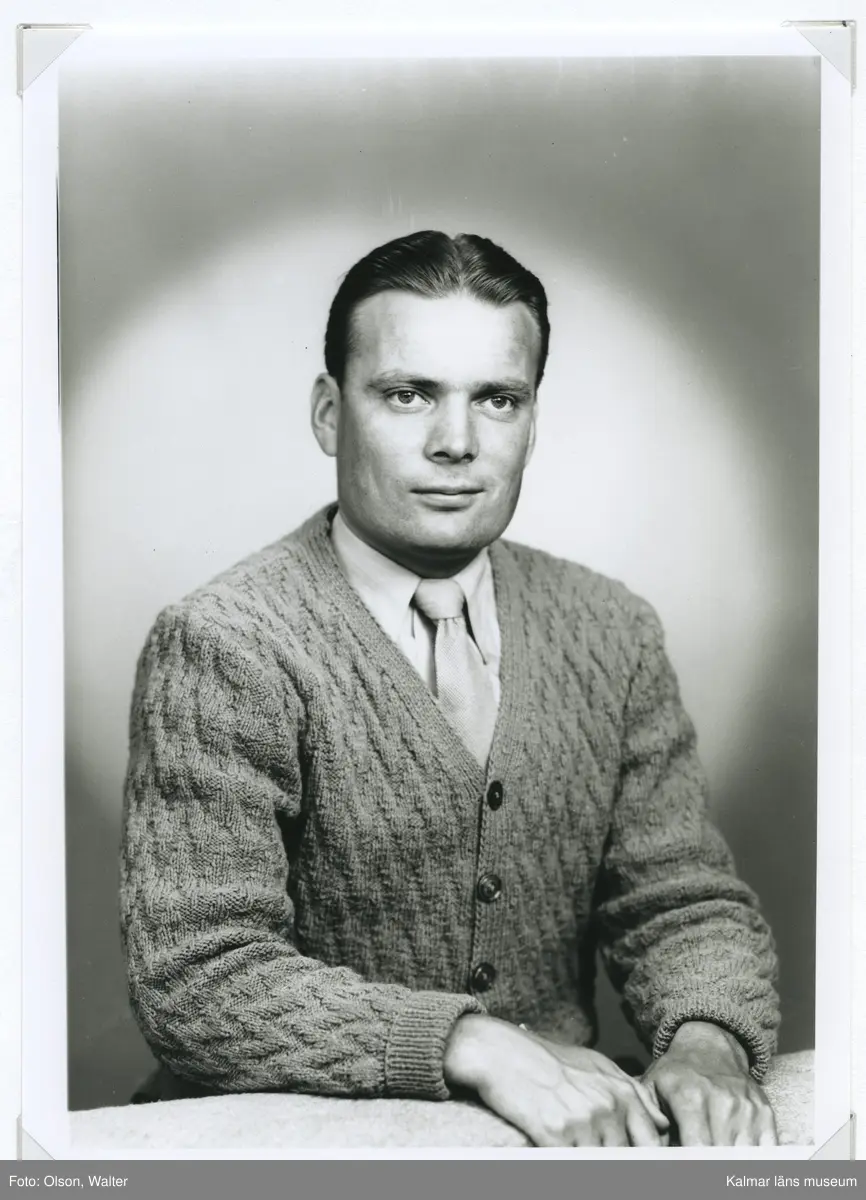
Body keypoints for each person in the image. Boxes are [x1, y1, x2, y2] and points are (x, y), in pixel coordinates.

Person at [120, 230, 780, 1148]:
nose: (457, 443)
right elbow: (198, 979)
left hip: (554, 1141)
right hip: (285, 1149)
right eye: (408, 395)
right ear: (329, 414)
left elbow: (677, 900)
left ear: (532, 423)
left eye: (497, 400)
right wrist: (474, 1044)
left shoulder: (611, 628)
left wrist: (708, 1041)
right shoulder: (226, 641)